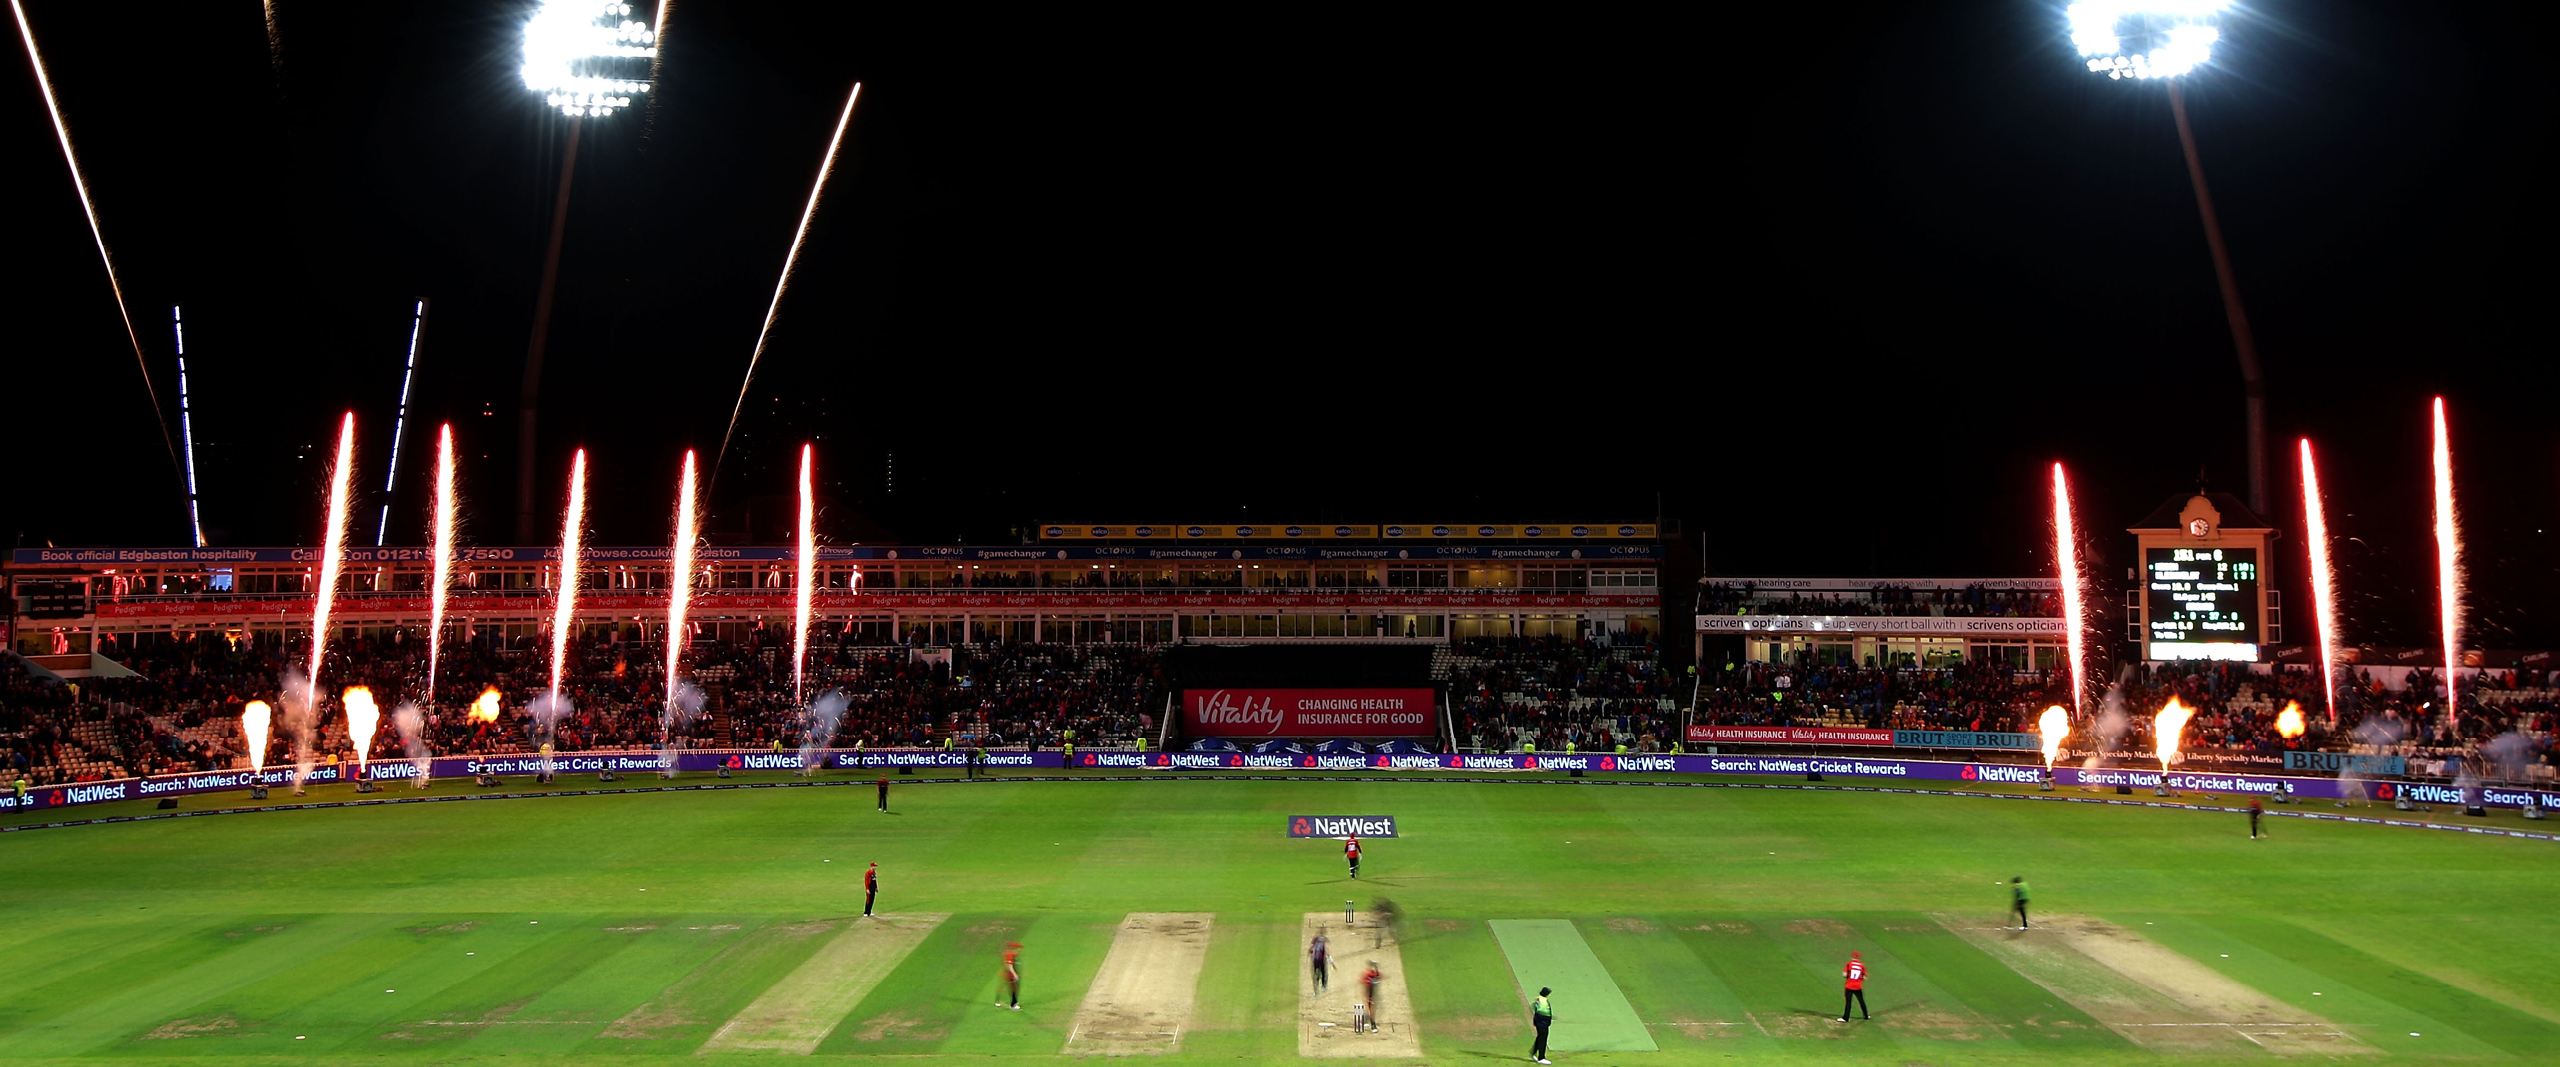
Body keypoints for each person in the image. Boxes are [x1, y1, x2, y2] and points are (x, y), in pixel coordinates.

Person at [1840, 951, 1869, 1021]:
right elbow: (1865, 978)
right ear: (1859, 958)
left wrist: (1848, 976)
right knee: (1861, 1001)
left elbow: (1844, 974)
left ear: (1852, 957)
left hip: (1849, 986)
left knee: (1848, 1002)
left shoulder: (1849, 964)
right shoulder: (1862, 965)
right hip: (1858, 986)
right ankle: (1866, 1016)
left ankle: (1845, 1018)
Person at [1529, 986, 1553, 1064]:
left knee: (1540, 1037)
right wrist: (1547, 1017)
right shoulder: (1543, 1000)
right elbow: (1542, 1011)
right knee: (1543, 1039)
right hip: (1542, 1022)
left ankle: (1532, 1053)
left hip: (1541, 1022)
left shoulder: (1539, 999)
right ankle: (1541, 1058)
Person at [1359, 961, 1383, 1031]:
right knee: (1369, 1008)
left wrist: (1376, 969)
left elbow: (1377, 976)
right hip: (1368, 994)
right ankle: (1369, 1022)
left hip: (1372, 994)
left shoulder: (1372, 973)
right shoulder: (1369, 974)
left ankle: (1370, 1023)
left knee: (1371, 1009)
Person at [1001, 941, 1023, 1009]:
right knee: (1014, 989)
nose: (1019, 950)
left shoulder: (1009, 954)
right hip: (1010, 975)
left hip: (1009, 974)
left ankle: (999, 1001)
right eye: (1018, 948)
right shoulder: (1010, 955)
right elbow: (1009, 966)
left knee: (1013, 988)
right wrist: (1014, 974)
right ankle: (1013, 1005)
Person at [1309, 927, 1331, 992]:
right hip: (1322, 959)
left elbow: (1310, 948)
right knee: (1324, 972)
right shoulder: (1325, 939)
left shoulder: (1315, 939)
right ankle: (1324, 986)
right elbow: (1327, 948)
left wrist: (1309, 954)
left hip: (1315, 959)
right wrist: (1329, 957)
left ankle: (1317, 985)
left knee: (1316, 973)